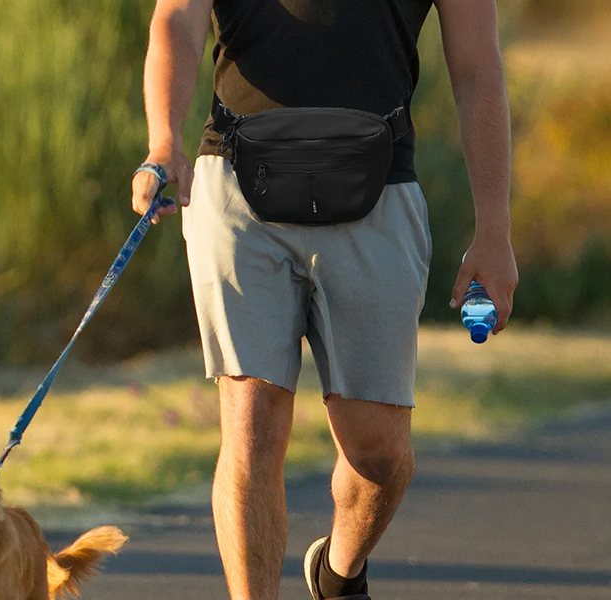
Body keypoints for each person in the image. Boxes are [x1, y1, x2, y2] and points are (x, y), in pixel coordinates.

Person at [133, 1, 518, 598]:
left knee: (380, 454)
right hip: (237, 182)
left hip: (379, 188)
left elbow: (477, 71)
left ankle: (338, 575)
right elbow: (176, 19)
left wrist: (494, 231)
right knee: (251, 423)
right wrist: (164, 141)